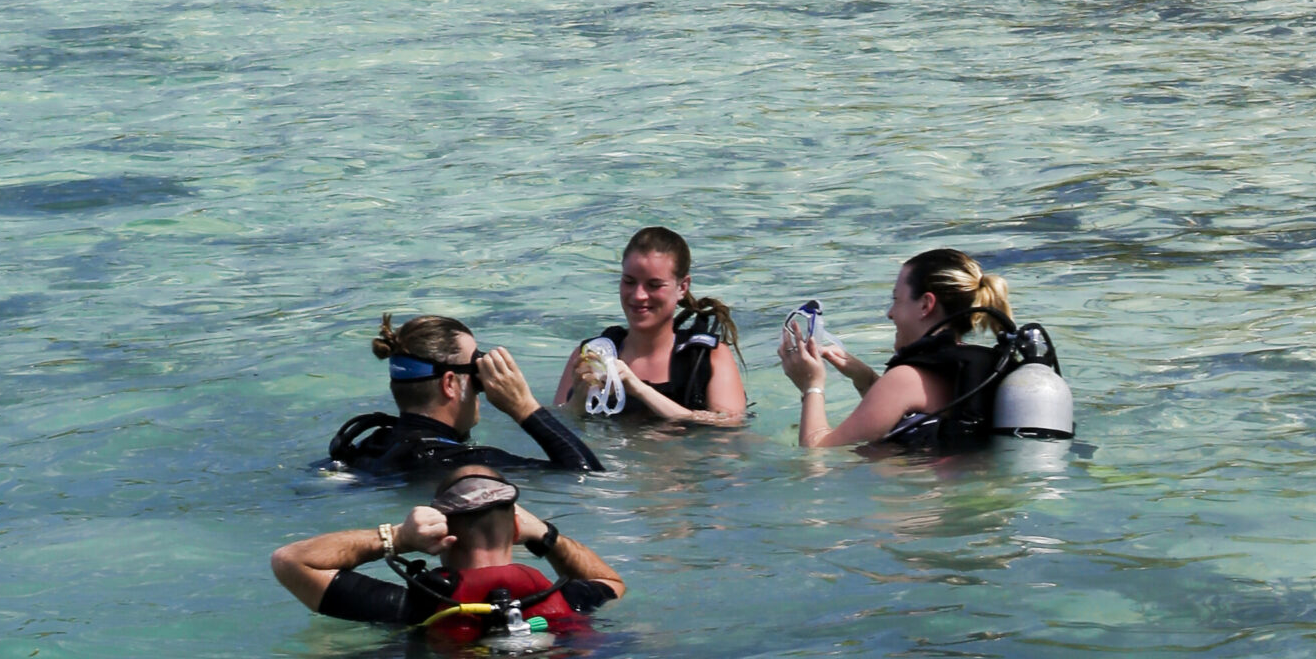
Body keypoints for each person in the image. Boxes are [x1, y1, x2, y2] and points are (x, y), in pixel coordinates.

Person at [270, 466, 626, 645]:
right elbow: (611, 582)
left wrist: (398, 537)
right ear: (517, 530)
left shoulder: (414, 607)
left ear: (441, 533)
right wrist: (547, 536)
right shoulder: (567, 598)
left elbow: (290, 560)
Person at [777, 247, 1016, 450]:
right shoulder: (973, 367)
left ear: (925, 305)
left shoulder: (905, 380)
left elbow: (818, 453)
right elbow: (912, 417)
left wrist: (811, 386)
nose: (890, 314)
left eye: (896, 300)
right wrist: (867, 379)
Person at [329, 314, 604, 476]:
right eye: (476, 370)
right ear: (450, 384)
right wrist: (524, 407)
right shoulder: (467, 464)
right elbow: (586, 474)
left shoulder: (366, 445)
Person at [552, 227, 749, 427]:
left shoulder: (708, 357)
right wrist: (578, 400)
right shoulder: (590, 354)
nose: (639, 295)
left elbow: (729, 426)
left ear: (682, 287)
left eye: (654, 285)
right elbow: (555, 427)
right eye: (629, 281)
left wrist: (639, 389)